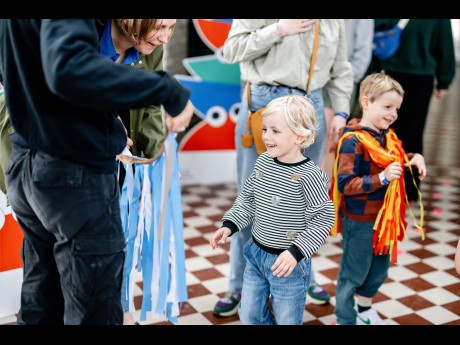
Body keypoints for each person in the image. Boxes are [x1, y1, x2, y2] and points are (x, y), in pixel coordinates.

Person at [0, 19, 194, 325]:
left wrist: (104, 124)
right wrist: (167, 89)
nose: (165, 37)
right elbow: (68, 68)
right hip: (72, 176)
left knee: (41, 302)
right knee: (94, 311)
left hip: (28, 168)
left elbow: (40, 72)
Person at [213, 19, 352, 315]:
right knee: (252, 199)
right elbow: (232, 50)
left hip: (309, 106)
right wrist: (278, 30)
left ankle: (303, 274)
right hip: (264, 105)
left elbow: (340, 69)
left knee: (306, 202)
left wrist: (340, 111)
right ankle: (239, 285)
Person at [210, 95, 335, 324]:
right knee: (249, 315)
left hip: (289, 264)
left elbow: (324, 218)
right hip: (256, 256)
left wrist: (296, 252)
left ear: (300, 135)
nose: (266, 136)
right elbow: (247, 199)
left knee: (287, 319)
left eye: (275, 131)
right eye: (265, 129)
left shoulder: (311, 176)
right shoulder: (263, 162)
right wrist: (229, 225)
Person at [96, 18, 179, 325]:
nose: (165, 38)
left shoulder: (149, 47)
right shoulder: (82, 36)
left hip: (122, 160)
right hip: (74, 161)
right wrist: (103, 124)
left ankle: (119, 309)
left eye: (171, 28)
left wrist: (159, 157)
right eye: (161, 27)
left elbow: (151, 100)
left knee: (118, 239)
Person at [331, 71, 427, 325]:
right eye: (387, 106)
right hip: (360, 220)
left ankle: (364, 308)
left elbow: (394, 159)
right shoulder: (353, 141)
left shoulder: (387, 138)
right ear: (365, 102)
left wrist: (412, 158)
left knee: (378, 270)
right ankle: (345, 316)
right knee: (354, 272)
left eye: (396, 108)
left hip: (384, 221)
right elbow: (344, 184)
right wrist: (382, 179)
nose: (393, 113)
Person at [368, 19, 456, 202]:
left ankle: (382, 184)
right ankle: (408, 188)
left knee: (384, 130)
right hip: (421, 77)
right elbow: (445, 44)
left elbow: (375, 29)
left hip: (390, 73)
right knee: (414, 132)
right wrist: (444, 80)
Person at [321, 19, 374, 181]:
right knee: (309, 138)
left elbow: (363, 51)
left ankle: (320, 193)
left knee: (328, 139)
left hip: (341, 80)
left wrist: (347, 78)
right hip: (315, 79)